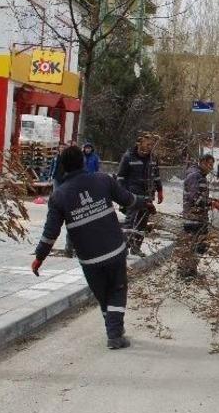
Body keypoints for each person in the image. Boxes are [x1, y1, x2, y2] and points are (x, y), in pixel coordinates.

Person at [32, 146, 147, 350]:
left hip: (89, 259)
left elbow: (50, 233)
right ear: (83, 162)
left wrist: (39, 257)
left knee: (103, 294)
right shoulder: (102, 180)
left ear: (63, 167)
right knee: (117, 290)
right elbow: (127, 199)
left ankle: (115, 331)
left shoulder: (59, 196)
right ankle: (114, 335)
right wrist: (145, 203)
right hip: (113, 251)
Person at [116, 134, 163, 256]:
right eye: (148, 144)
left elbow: (156, 175)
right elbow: (120, 177)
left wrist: (160, 190)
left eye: (151, 144)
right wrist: (121, 195)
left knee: (142, 222)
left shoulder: (153, 158)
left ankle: (136, 247)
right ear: (139, 143)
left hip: (147, 194)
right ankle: (124, 248)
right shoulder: (128, 157)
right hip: (132, 195)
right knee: (130, 221)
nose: (150, 147)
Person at [178, 153, 215, 279]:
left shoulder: (200, 176)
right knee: (192, 245)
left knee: (200, 245)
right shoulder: (195, 175)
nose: (211, 167)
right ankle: (185, 272)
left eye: (212, 165)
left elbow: (201, 196)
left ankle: (190, 270)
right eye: (209, 164)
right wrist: (212, 203)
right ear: (202, 162)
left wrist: (211, 202)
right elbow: (194, 198)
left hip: (200, 217)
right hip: (193, 217)